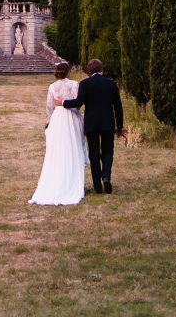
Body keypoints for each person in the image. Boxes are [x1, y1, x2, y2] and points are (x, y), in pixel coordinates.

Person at [62, 58, 126, 194]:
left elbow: (79, 101)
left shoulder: (85, 84)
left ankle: (97, 186)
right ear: (102, 70)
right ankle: (106, 176)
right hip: (108, 123)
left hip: (91, 123)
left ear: (89, 72)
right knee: (108, 151)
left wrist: (63, 102)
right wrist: (119, 127)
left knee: (94, 153)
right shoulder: (111, 84)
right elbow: (118, 107)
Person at [28, 63, 86, 207]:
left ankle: (58, 178)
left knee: (58, 149)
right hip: (71, 116)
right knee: (73, 147)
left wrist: (49, 121)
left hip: (58, 117)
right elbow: (77, 103)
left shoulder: (52, 87)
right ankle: (73, 180)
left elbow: (49, 107)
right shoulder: (74, 84)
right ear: (68, 72)